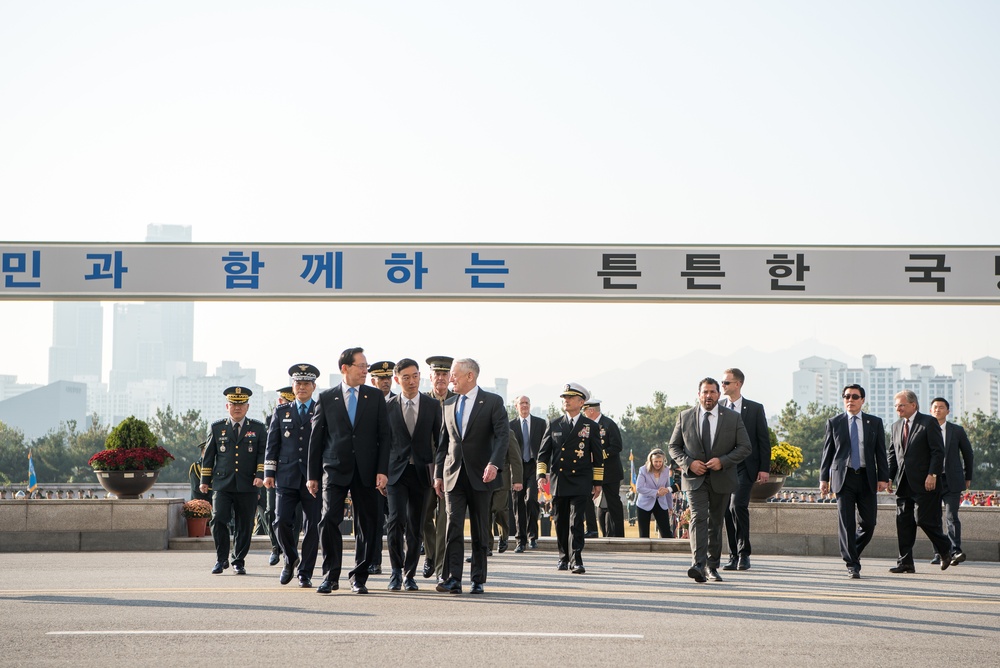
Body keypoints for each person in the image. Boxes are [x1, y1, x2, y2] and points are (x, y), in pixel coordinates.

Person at [307, 347, 391, 595]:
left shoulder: (375, 397)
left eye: (366, 366)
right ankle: (330, 575)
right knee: (328, 520)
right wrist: (312, 475)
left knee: (368, 524)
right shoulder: (327, 397)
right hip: (334, 469)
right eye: (361, 366)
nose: (366, 370)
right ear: (345, 368)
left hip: (367, 471)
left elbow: (385, 437)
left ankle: (359, 577)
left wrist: (382, 470)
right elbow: (316, 439)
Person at [433, 358, 508, 595]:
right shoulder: (448, 404)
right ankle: (453, 578)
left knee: (479, 528)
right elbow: (443, 443)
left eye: (454, 374)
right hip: (453, 475)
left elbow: (502, 437)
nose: (450, 378)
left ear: (470, 377)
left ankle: (478, 579)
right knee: (453, 526)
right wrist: (438, 474)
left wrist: (494, 464)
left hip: (482, 476)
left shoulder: (493, 402)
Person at [667, 377, 751, 583]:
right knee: (698, 517)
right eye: (705, 392)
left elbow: (745, 447)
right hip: (694, 479)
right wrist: (688, 463)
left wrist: (723, 461)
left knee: (715, 521)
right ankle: (697, 564)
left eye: (713, 392)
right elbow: (673, 447)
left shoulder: (732, 418)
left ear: (718, 395)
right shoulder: (685, 416)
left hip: (722, 477)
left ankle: (712, 566)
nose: (708, 396)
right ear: (698, 394)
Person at [819, 384, 889, 579]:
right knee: (847, 523)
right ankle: (852, 564)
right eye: (847, 396)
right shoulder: (835, 422)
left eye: (855, 397)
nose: (850, 400)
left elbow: (880, 452)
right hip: (843, 478)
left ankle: (852, 552)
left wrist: (883, 477)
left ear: (862, 400)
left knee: (869, 523)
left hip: (867, 478)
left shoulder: (874, 422)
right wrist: (823, 478)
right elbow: (828, 452)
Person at [384, 358, 441, 592]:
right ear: (397, 380)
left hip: (421, 473)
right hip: (395, 474)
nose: (411, 381)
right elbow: (382, 443)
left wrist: (438, 472)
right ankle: (395, 571)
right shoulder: (387, 407)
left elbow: (441, 442)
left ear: (420, 376)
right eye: (405, 377)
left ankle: (410, 574)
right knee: (395, 521)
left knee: (416, 525)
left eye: (415, 376)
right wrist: (381, 474)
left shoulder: (431, 406)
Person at [537, 383, 604, 574]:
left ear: (581, 402)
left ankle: (577, 559)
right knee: (560, 520)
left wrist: (597, 482)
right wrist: (541, 475)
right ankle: (563, 557)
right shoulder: (554, 423)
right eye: (564, 397)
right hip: (559, 479)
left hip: (581, 479)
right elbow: (543, 454)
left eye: (570, 397)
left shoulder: (590, 426)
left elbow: (598, 457)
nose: (565, 400)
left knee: (576, 521)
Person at [264, 365, 321, 588]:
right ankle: (290, 558)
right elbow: (272, 445)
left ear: (313, 387)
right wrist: (269, 472)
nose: (302, 387)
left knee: (312, 526)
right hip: (286, 476)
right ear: (293, 386)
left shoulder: (320, 410)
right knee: (280, 521)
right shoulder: (281, 412)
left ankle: (305, 572)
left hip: (312, 479)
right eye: (298, 383)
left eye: (306, 384)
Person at [200, 386, 266, 575]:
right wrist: (205, 480)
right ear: (227, 406)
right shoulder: (217, 427)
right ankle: (221, 559)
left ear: (247, 406)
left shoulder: (258, 428)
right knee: (218, 519)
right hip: (222, 484)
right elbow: (209, 456)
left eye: (241, 404)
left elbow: (263, 454)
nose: (237, 408)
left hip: (248, 484)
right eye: (234, 404)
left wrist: (260, 476)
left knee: (244, 524)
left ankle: (238, 560)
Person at [887, 390, 953, 573]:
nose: (897, 408)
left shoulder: (928, 422)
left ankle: (946, 549)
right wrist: (889, 477)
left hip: (926, 482)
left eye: (901, 405)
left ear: (913, 405)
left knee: (923, 519)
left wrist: (933, 474)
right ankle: (905, 562)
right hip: (903, 482)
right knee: (903, 522)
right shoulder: (895, 426)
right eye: (896, 406)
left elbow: (938, 452)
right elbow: (892, 454)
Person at [719, 368, 770, 571]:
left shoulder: (755, 409)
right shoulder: (718, 407)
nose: (722, 386)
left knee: (737, 505)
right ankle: (732, 555)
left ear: (738, 384)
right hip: (723, 466)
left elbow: (763, 440)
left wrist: (764, 468)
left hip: (745, 466)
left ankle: (744, 553)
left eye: (726, 383)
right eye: (722, 383)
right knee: (725, 510)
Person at [421, 355, 455, 582]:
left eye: (445, 374)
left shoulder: (458, 400)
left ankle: (442, 569)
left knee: (444, 520)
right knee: (424, 516)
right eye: (437, 374)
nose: (441, 378)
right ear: (430, 377)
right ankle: (431, 556)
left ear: (450, 377)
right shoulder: (422, 401)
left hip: (450, 470)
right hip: (425, 468)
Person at [929, 397, 974, 566]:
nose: (938, 410)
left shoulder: (957, 430)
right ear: (930, 410)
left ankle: (955, 551)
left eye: (941, 407)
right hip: (932, 480)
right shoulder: (925, 429)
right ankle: (939, 553)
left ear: (948, 411)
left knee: (951, 516)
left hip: (952, 480)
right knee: (933, 518)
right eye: (935, 407)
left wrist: (967, 476)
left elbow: (968, 454)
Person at [362, 360, 395, 576]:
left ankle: (399, 566)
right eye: (381, 379)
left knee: (396, 520)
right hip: (371, 472)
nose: (385, 382)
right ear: (373, 380)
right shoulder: (364, 403)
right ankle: (374, 560)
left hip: (395, 470)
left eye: (388, 378)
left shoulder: (399, 402)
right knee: (372, 520)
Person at [582, 398, 625, 538]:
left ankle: (618, 534)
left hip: (610, 471)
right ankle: (592, 530)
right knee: (588, 499)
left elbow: (617, 446)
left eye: (585, 410)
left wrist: (600, 455)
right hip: (591, 470)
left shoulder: (608, 424)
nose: (584, 413)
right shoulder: (585, 426)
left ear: (591, 410)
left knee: (613, 503)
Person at [510, 395, 546, 552]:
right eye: (521, 403)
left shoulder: (540, 423)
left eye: (527, 403)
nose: (524, 406)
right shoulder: (510, 425)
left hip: (534, 467)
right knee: (518, 503)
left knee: (531, 500)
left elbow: (545, 449)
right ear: (516, 407)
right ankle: (520, 540)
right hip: (517, 469)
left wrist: (545, 472)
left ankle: (533, 536)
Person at [489, 430, 524, 554]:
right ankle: (486, 545)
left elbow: (515, 457)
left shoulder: (507, 433)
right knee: (484, 512)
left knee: (499, 509)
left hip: (501, 479)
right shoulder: (479, 428)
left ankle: (503, 536)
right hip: (482, 478)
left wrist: (517, 479)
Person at [634, 448, 675, 538]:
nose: (658, 464)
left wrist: (670, 506)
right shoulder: (643, 470)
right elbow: (639, 488)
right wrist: (656, 492)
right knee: (644, 534)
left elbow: (667, 489)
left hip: (661, 503)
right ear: (651, 460)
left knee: (666, 533)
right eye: (655, 461)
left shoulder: (666, 470)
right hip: (644, 504)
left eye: (660, 461)